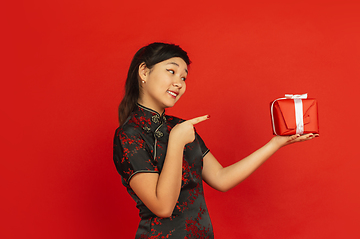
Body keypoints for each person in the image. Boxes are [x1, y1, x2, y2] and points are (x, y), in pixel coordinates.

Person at [113, 42, 318, 238]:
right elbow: (163, 207)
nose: (179, 83)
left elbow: (221, 178)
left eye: (184, 78)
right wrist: (176, 141)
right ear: (144, 72)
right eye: (171, 71)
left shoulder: (181, 127)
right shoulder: (130, 134)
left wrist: (276, 143)